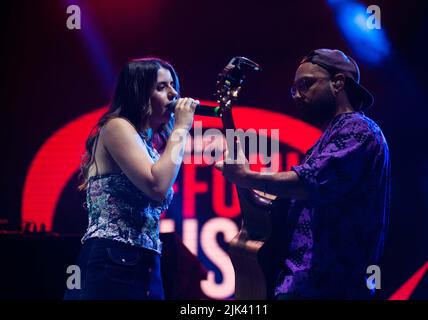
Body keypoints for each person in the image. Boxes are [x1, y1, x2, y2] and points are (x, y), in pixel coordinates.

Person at [215, 49, 390, 299]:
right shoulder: (329, 137)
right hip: (303, 285)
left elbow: (307, 182)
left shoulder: (358, 129)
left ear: (338, 83)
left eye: (306, 84)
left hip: (333, 289)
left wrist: (246, 176)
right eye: (293, 89)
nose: (297, 94)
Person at [64, 57, 198, 300]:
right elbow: (156, 186)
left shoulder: (148, 145)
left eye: (172, 85)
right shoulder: (116, 127)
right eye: (161, 87)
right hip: (112, 258)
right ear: (138, 94)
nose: (173, 94)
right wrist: (180, 130)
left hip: (144, 258)